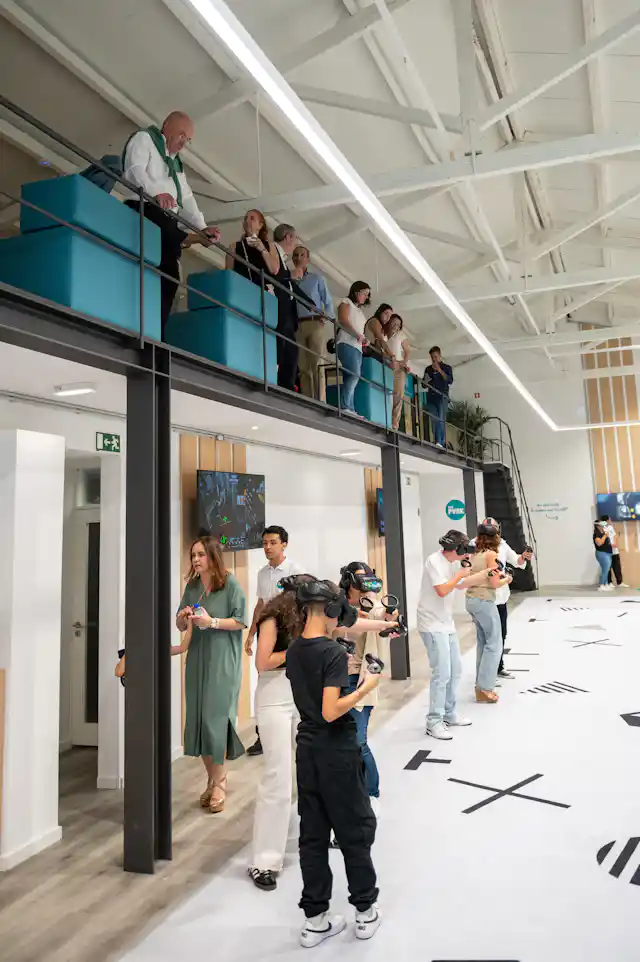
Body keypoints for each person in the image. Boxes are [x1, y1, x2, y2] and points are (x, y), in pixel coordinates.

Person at [286, 579, 381, 947]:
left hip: (307, 751)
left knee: (312, 835)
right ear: (328, 610)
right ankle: (365, 911)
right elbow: (330, 710)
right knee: (354, 830)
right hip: (337, 751)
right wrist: (364, 689)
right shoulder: (332, 654)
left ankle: (315, 920)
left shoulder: (294, 650)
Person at [122, 111, 221, 336]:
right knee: (165, 272)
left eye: (188, 139)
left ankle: (155, 333)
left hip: (165, 221)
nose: (184, 142)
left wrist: (202, 227)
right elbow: (133, 170)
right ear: (166, 126)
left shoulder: (176, 165)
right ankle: (149, 332)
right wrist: (157, 194)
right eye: (181, 135)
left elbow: (186, 199)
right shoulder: (144, 139)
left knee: (169, 276)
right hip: (143, 209)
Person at [248, 574, 312, 892]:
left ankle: (314, 836)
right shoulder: (271, 619)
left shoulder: (307, 617)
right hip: (274, 697)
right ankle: (264, 860)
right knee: (278, 777)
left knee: (309, 769)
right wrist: (299, 650)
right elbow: (263, 661)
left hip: (300, 693)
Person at [176, 536, 247, 813]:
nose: (196, 560)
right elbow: (180, 623)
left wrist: (212, 622)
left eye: (201, 555)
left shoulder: (230, 584)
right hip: (197, 659)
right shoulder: (192, 586)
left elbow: (241, 620)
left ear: (213, 556)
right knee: (198, 720)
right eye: (193, 555)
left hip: (222, 660)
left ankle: (219, 782)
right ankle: (214, 778)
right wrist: (183, 618)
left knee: (215, 720)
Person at [417, 529, 496, 738]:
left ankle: (449, 713)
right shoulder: (434, 561)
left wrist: (486, 573)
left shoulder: (454, 564)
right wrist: (461, 574)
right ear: (458, 548)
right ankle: (433, 720)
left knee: (456, 670)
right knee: (441, 673)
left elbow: (460, 585)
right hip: (431, 624)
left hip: (446, 623)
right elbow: (442, 590)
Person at [336, 562, 394, 814]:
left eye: (370, 580)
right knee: (337, 742)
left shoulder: (374, 603)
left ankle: (371, 793)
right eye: (362, 580)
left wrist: (390, 619)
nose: (366, 585)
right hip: (332, 679)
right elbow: (338, 626)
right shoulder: (335, 604)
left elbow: (384, 616)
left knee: (358, 740)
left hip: (360, 679)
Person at [245, 525, 303, 756]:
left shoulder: (295, 570)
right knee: (264, 678)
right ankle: (263, 735)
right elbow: (260, 605)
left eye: (273, 542)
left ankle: (295, 727)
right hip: (267, 632)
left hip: (288, 631)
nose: (268, 547)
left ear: (284, 544)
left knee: (290, 676)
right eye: (265, 543)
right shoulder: (262, 574)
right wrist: (251, 633)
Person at [471, 518, 532, 681]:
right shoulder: (474, 546)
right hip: (484, 598)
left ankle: (495, 668)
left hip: (498, 598)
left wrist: (523, 557)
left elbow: (516, 560)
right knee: (487, 638)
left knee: (499, 635)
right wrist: (506, 579)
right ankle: (485, 674)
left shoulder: (502, 545)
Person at [464, 523, 511, 704]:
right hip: (484, 600)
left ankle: (480, 686)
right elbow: (493, 583)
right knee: (494, 643)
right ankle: (485, 688)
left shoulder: (474, 554)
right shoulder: (492, 555)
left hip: (472, 600)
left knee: (483, 643)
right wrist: (507, 579)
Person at [291, 246, 334, 400]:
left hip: (314, 322)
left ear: (307, 259)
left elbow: (328, 301)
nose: (298, 257)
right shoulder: (290, 279)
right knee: (303, 366)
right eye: (295, 255)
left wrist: (325, 317)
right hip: (297, 324)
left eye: (302, 255)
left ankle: (320, 400)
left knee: (317, 364)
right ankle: (307, 399)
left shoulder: (316, 278)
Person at [272, 223, 302, 391]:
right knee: (282, 347)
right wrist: (290, 275)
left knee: (291, 350)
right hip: (279, 307)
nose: (295, 243)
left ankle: (288, 386)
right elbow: (273, 273)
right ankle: (282, 384)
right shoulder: (273, 250)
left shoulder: (283, 258)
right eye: (295, 238)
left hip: (287, 311)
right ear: (288, 237)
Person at [335, 281, 371, 417]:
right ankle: (345, 406)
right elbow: (343, 320)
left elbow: (361, 331)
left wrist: (364, 339)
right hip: (346, 343)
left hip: (357, 347)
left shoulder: (361, 313)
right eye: (364, 293)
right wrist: (358, 336)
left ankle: (349, 407)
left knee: (351, 375)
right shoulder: (345, 302)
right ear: (356, 292)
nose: (366, 297)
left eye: (367, 295)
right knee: (354, 374)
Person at [225, 208, 279, 283]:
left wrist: (263, 249)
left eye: (252, 219)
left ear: (260, 224)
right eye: (246, 219)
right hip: (242, 287)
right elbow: (228, 274)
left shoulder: (269, 245)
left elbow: (274, 270)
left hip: (263, 291)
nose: (247, 221)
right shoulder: (234, 246)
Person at [423, 345, 453, 448]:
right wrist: (425, 380)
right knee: (434, 418)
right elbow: (423, 384)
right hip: (431, 397)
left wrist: (439, 370)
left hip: (442, 396)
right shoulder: (428, 369)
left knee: (440, 419)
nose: (434, 359)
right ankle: (437, 441)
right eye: (432, 357)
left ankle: (441, 441)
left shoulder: (447, 368)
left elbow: (449, 380)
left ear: (440, 356)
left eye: (435, 357)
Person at [385, 313, 411, 431]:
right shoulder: (384, 334)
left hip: (398, 366)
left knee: (398, 394)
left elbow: (407, 351)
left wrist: (404, 363)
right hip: (386, 364)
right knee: (386, 392)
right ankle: (386, 418)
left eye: (399, 324)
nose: (396, 325)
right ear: (389, 322)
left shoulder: (400, 334)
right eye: (394, 322)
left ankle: (395, 422)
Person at [601, 515, 629, 588]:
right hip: (607, 551)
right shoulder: (602, 528)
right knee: (608, 567)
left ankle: (620, 582)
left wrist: (615, 543)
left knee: (617, 567)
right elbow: (603, 539)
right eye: (609, 519)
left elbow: (614, 536)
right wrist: (609, 545)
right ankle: (609, 583)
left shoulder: (610, 527)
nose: (610, 520)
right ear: (606, 520)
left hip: (615, 551)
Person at [593, 520, 613, 591]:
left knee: (607, 570)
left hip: (608, 553)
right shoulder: (596, 534)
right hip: (602, 553)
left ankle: (606, 584)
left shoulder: (603, 532)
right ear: (598, 525)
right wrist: (605, 536)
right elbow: (599, 543)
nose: (603, 525)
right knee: (605, 570)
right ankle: (601, 585)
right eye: (602, 524)